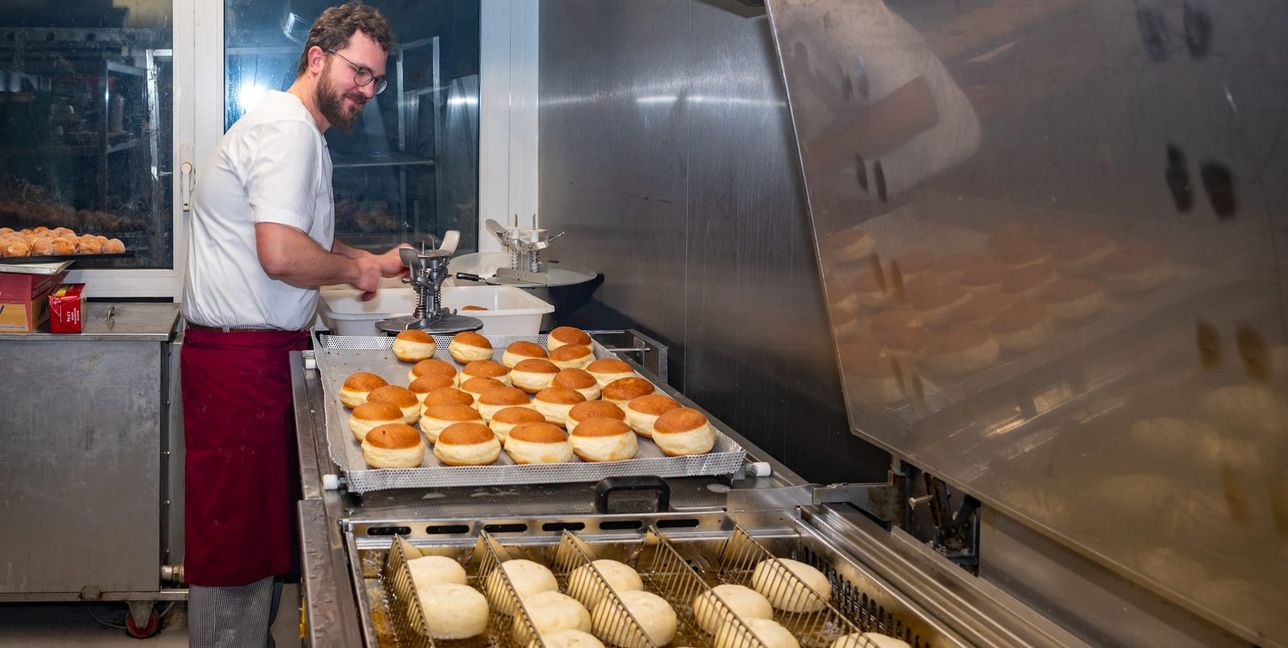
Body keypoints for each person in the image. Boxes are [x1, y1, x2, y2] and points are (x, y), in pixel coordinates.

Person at [179, 3, 403, 646]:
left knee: (253, 536)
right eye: (359, 72)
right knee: (235, 546)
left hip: (255, 362)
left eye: (375, 80)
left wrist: (365, 261)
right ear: (317, 58)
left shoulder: (294, 129)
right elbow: (280, 256)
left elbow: (292, 241)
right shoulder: (289, 131)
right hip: (241, 369)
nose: (366, 89)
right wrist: (352, 272)